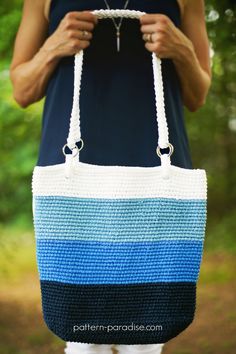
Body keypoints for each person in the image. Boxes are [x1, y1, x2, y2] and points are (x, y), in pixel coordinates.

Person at [10, 0, 211, 353]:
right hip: (73, 170)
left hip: (156, 164)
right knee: (82, 336)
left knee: (148, 338)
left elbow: (197, 95)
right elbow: (22, 90)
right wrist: (53, 46)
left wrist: (181, 50)